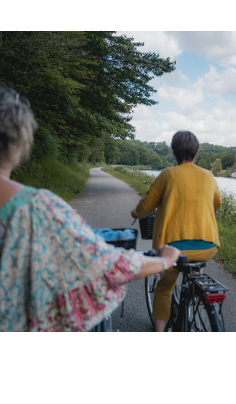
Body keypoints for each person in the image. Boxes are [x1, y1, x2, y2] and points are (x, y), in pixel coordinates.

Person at [0, 85, 180, 332]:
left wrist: (139, 212)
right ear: (19, 143)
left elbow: (146, 205)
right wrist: (164, 261)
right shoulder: (36, 209)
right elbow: (104, 265)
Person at [131, 131, 221, 332]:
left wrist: (135, 213)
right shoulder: (209, 175)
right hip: (208, 246)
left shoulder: (168, 174)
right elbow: (217, 203)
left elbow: (146, 206)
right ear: (196, 152)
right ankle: (196, 299)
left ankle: (160, 333)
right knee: (195, 270)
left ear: (174, 152)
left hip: (173, 249)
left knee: (164, 288)